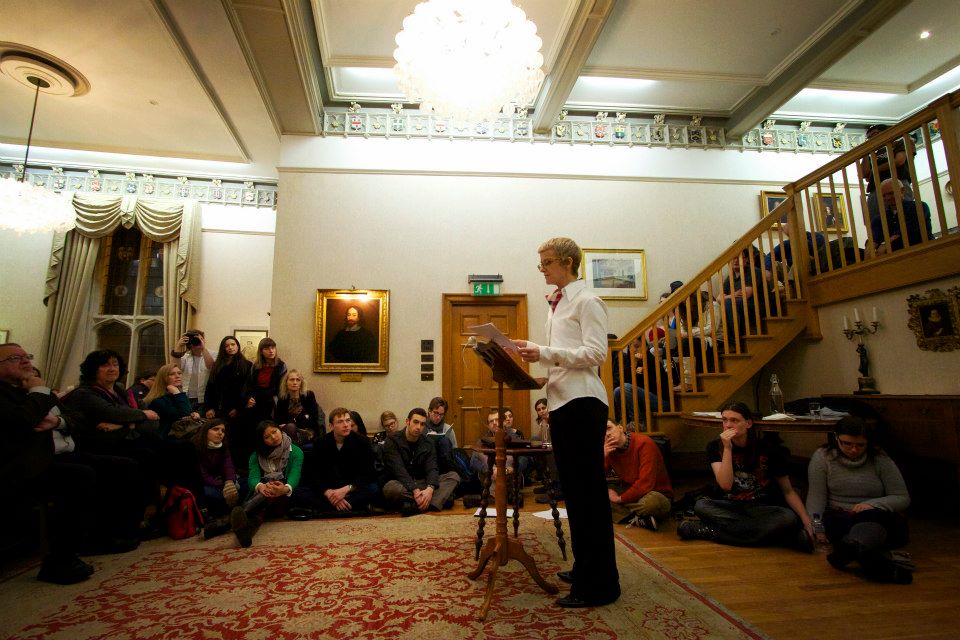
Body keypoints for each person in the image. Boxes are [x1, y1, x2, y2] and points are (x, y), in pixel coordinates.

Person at [513, 236, 620, 609]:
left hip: (583, 404)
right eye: (540, 263)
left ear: (568, 262)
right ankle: (586, 566)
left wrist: (543, 352)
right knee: (574, 493)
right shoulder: (557, 303)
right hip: (563, 401)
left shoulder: (588, 301)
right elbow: (566, 356)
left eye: (546, 262)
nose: (541, 268)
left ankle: (601, 585)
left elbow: (595, 353)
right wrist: (542, 367)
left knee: (588, 495)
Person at [0, 343, 95, 584]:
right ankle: (59, 560)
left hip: (53, 457)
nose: (26, 361)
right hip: (18, 468)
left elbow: (78, 418)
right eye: (15, 358)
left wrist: (58, 422)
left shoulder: (31, 390)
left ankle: (105, 536)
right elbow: (21, 422)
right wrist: (40, 390)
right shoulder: (19, 393)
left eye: (27, 356)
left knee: (119, 465)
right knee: (79, 476)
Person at [678, 401, 814, 551]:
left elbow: (788, 491)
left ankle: (709, 531)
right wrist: (728, 449)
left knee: (788, 517)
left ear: (748, 423)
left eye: (734, 420)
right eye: (724, 420)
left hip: (761, 507)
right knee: (701, 506)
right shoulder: (715, 447)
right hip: (730, 506)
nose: (728, 425)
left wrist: (806, 520)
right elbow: (725, 485)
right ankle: (784, 539)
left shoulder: (769, 449)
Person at [806, 416, 912, 583]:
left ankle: (849, 550)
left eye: (860, 445)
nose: (854, 449)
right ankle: (873, 562)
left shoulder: (880, 458)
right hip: (841, 516)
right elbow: (816, 498)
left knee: (870, 521)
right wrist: (817, 527)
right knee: (840, 527)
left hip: (875, 516)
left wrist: (871, 504)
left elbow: (902, 497)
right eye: (847, 444)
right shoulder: (823, 457)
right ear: (836, 438)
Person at [291, 408, 380, 517]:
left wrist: (346, 490)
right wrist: (328, 492)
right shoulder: (320, 443)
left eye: (348, 420)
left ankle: (328, 509)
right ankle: (348, 507)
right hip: (329, 490)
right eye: (340, 421)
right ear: (331, 426)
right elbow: (313, 474)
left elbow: (368, 473)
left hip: (351, 490)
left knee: (374, 489)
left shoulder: (362, 442)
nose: (346, 425)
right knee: (298, 492)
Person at [230, 420, 303, 548]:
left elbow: (295, 475)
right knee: (260, 511)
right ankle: (246, 534)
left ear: (280, 430)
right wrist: (260, 486)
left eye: (274, 432)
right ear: (262, 440)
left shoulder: (296, 451)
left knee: (266, 497)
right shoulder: (256, 456)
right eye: (267, 437)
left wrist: (285, 488)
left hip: (284, 495)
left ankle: (240, 513)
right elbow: (253, 478)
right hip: (263, 494)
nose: (273, 437)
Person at [381, 408, 460, 516]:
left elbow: (432, 468)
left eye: (422, 424)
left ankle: (414, 507)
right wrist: (415, 490)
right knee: (390, 488)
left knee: (453, 476)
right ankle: (435, 502)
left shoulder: (428, 443)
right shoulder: (392, 440)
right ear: (407, 421)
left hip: (423, 482)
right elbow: (398, 470)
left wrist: (430, 489)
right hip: (403, 483)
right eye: (415, 422)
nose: (418, 427)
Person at [604, 421, 673, 531]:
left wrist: (619, 499)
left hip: (654, 493)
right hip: (630, 491)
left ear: (620, 428)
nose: (607, 434)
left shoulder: (644, 443)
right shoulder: (608, 450)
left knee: (651, 504)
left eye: (609, 428)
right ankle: (641, 519)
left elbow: (645, 484)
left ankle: (627, 515)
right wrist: (603, 456)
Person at [203, 336, 252, 467]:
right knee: (217, 441)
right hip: (218, 409)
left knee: (236, 440)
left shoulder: (247, 365)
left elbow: (247, 389)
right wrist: (209, 407)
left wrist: (238, 408)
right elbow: (210, 388)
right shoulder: (218, 365)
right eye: (227, 346)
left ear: (237, 346)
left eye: (233, 344)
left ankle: (235, 469)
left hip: (238, 410)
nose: (230, 347)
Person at [238, 338, 287, 465]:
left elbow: (278, 388)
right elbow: (249, 385)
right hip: (255, 400)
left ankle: (265, 460)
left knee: (264, 425)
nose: (271, 351)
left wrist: (257, 397)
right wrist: (249, 398)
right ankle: (247, 461)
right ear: (261, 351)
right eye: (267, 348)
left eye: (273, 347)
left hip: (270, 401)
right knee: (245, 423)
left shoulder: (281, 366)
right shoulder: (255, 366)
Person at [193, 419, 242, 539]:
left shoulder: (223, 447)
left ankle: (234, 513)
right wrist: (222, 485)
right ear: (205, 431)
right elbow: (202, 475)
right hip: (203, 484)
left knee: (245, 485)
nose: (220, 433)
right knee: (211, 494)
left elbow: (228, 466)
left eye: (223, 431)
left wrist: (229, 482)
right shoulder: (194, 447)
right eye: (216, 429)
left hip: (221, 482)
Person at [860, 123, 915, 220]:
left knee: (904, 216)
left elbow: (899, 160)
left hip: (897, 183)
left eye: (875, 134)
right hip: (875, 189)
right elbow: (864, 173)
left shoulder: (898, 143)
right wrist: (865, 153)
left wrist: (875, 169)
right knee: (877, 219)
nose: (872, 138)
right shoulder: (872, 154)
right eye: (869, 137)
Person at [869, 178, 933, 255]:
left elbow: (908, 230)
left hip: (923, 251)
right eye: (884, 195)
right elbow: (875, 238)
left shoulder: (918, 207)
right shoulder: (878, 219)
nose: (887, 198)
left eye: (891, 193)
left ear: (902, 190)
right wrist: (869, 250)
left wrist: (885, 244)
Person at [722, 246, 769, 346]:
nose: (735, 260)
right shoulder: (730, 277)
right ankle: (731, 341)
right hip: (741, 307)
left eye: (739, 257)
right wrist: (734, 295)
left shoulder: (753, 271)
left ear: (746, 259)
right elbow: (718, 298)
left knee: (729, 303)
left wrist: (728, 297)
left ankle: (734, 342)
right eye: (733, 258)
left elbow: (746, 294)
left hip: (757, 306)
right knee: (724, 304)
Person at [143, 363, 200, 439]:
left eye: (179, 373)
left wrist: (194, 414)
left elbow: (188, 413)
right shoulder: (158, 401)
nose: (177, 376)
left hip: (179, 437)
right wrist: (177, 393)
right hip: (165, 440)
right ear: (163, 378)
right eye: (172, 374)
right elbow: (184, 416)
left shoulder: (178, 396)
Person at [274, 369, 324, 445]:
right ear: (286, 382)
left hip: (307, 432)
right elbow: (279, 421)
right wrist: (304, 417)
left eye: (298, 380)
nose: (295, 382)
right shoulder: (282, 399)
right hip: (288, 431)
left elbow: (313, 418)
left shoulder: (309, 395)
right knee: (290, 429)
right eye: (292, 380)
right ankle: (294, 449)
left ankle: (292, 449)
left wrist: (293, 423)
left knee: (291, 427)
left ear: (301, 383)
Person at [171, 329, 215, 412]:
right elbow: (174, 368)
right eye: (194, 339)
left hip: (205, 397)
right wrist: (178, 346)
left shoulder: (213, 354)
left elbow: (212, 367)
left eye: (199, 339)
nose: (197, 341)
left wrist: (203, 348)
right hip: (188, 396)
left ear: (204, 340)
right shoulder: (185, 356)